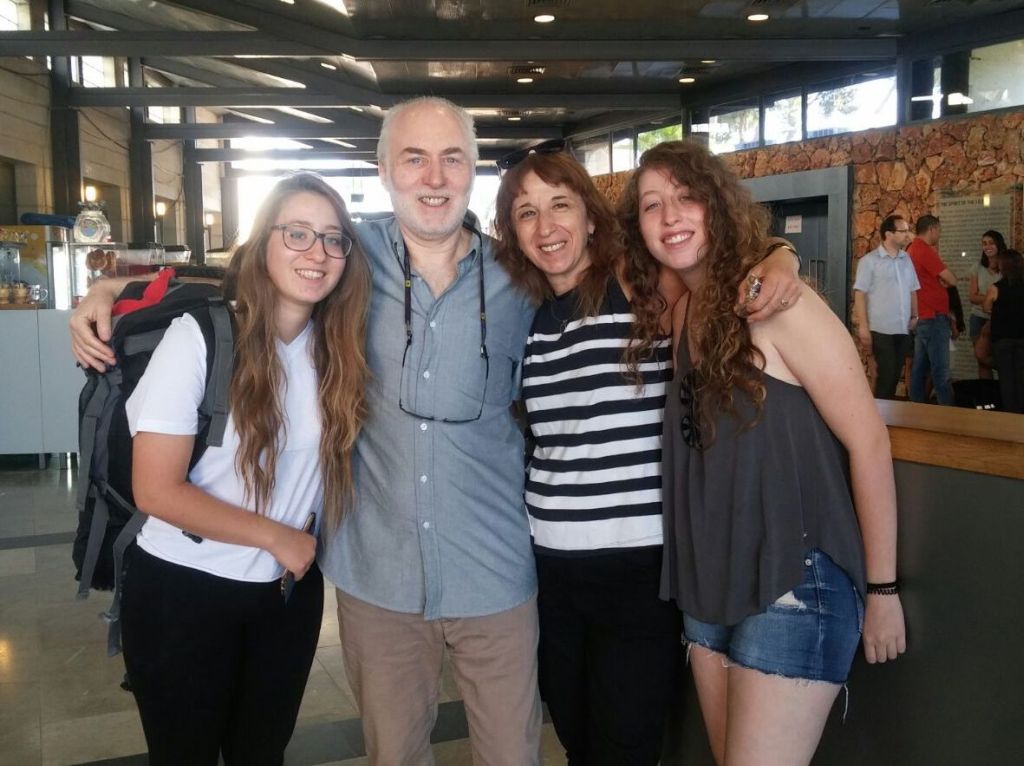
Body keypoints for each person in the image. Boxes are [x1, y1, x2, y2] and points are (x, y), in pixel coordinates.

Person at [69, 99, 802, 765]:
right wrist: (110, 288)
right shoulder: (345, 260)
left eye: (452, 157)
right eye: (414, 157)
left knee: (513, 754)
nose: (434, 175)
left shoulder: (518, 276)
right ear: (385, 170)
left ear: (473, 171)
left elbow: (685, 264)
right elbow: (252, 266)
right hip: (376, 576)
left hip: (497, 576)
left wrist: (777, 253)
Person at [492, 147, 801, 765]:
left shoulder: (640, 289)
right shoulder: (525, 317)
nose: (546, 227)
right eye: (527, 213)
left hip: (641, 570)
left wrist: (779, 254)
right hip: (551, 569)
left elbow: (720, 261)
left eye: (560, 206)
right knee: (575, 732)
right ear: (513, 231)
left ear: (591, 217)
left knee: (625, 743)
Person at [621, 141, 906, 766]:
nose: (671, 216)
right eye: (652, 205)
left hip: (793, 581)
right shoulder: (680, 309)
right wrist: (782, 251)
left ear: (718, 204)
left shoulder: (780, 306)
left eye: (687, 197)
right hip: (707, 585)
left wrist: (883, 590)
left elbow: (869, 440)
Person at [120, 172, 371, 765]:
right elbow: (155, 488)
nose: (318, 253)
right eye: (299, 234)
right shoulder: (200, 336)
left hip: (283, 598)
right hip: (182, 591)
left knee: (262, 754)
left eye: (334, 239)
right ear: (262, 244)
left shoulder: (338, 347)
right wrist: (277, 536)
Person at [852, 214, 919, 399]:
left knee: (894, 375)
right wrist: (863, 327)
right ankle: (880, 420)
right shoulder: (869, 261)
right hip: (880, 329)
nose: (908, 235)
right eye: (903, 231)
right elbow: (860, 293)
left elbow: (913, 288)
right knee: (886, 375)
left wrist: (915, 316)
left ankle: (886, 416)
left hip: (902, 327)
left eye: (908, 230)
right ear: (889, 234)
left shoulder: (906, 259)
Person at [907, 214, 957, 405]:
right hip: (933, 318)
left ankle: (917, 408)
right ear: (932, 229)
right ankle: (948, 415)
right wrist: (945, 279)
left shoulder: (912, 249)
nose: (940, 235)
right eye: (939, 230)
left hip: (923, 316)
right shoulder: (924, 250)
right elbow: (951, 279)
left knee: (920, 368)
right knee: (940, 371)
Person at [984, 249, 1024, 413]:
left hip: (1002, 340)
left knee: (1006, 379)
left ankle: (1010, 415)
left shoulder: (996, 287)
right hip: (1022, 337)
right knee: (1021, 378)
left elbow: (986, 307)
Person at [969, 230, 1006, 378]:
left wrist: (985, 297)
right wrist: (993, 297)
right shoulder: (977, 267)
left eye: (991, 243)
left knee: (1002, 358)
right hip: (978, 317)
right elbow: (972, 296)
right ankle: (987, 394)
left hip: (1000, 319)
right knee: (981, 359)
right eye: (984, 243)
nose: (987, 246)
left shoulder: (1006, 266)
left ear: (999, 244)